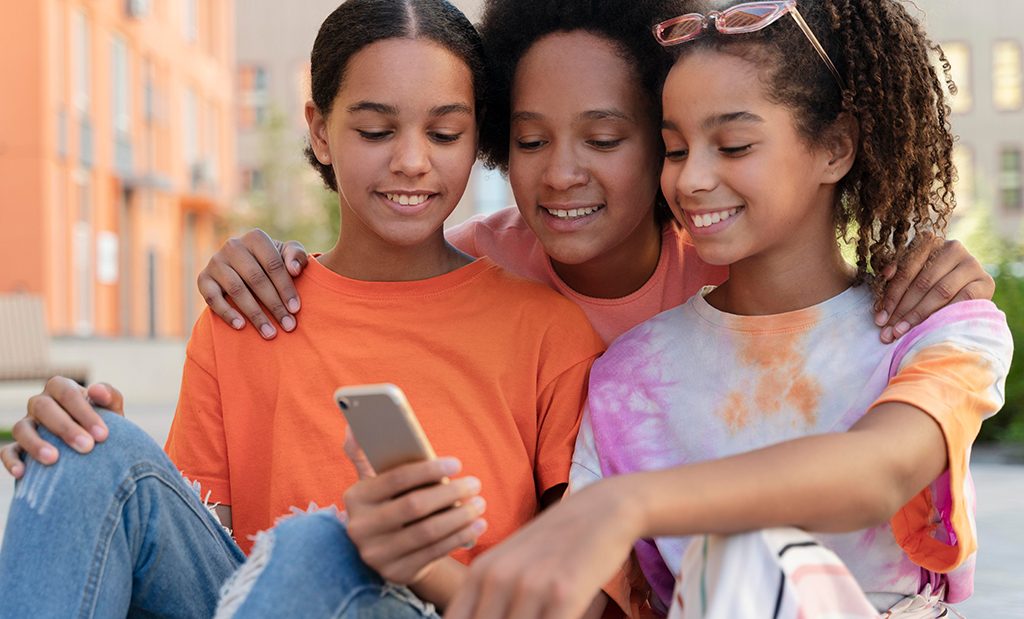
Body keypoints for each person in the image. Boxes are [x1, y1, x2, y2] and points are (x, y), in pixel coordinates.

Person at [3, 0, 995, 478]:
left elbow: (824, 293)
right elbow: (379, 277)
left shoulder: (721, 264)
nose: (562, 172)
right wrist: (254, 256)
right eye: (526, 141)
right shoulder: (484, 263)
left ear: (655, 138)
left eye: (607, 140)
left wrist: (937, 264)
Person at [0, 0, 606, 616]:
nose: (412, 161)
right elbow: (197, 556)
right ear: (319, 129)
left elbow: (577, 602)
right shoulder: (246, 313)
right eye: (375, 130)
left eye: (444, 133)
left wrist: (412, 561)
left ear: (477, 136)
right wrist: (104, 452)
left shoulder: (545, 332)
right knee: (83, 445)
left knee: (323, 540)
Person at [441, 1, 1015, 617]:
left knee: (741, 556)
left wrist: (631, 502)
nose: (690, 181)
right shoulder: (628, 374)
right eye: (676, 149)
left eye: (734, 145)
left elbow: (879, 474)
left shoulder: (936, 327)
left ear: (836, 148)